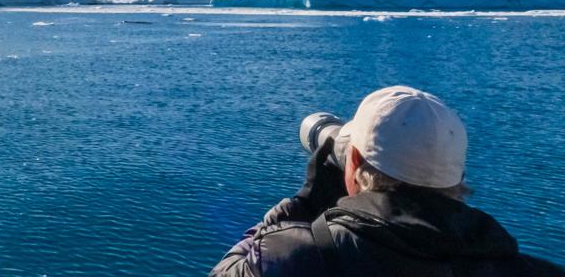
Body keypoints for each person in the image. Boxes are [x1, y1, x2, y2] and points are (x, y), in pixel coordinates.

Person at [211, 85, 563, 277]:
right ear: (457, 177)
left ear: (355, 162)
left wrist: (302, 206)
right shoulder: (526, 268)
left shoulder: (301, 258)